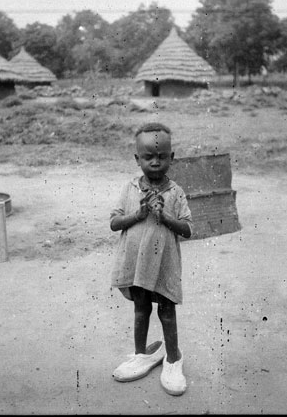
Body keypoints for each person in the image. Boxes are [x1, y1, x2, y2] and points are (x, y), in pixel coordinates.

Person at [109, 122, 193, 396]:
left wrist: (165, 216)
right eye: (148, 156)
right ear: (137, 159)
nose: (155, 162)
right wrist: (139, 214)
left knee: (166, 310)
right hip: (135, 262)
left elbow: (188, 229)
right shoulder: (130, 188)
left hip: (164, 263)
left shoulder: (176, 192)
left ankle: (172, 359)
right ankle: (141, 355)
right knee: (141, 308)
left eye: (161, 156)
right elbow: (114, 222)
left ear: (172, 157)